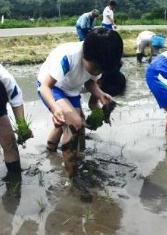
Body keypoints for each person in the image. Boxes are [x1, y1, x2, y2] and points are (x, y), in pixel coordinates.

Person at [37, 28, 123, 177]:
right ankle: (71, 177)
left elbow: (90, 82)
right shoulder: (68, 56)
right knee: (74, 124)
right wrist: (55, 108)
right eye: (96, 67)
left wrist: (100, 94)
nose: (98, 71)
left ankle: (50, 153)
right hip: (53, 88)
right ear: (85, 54)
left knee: (74, 124)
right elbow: (45, 86)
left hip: (72, 89)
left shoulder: (101, 58)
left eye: (102, 69)